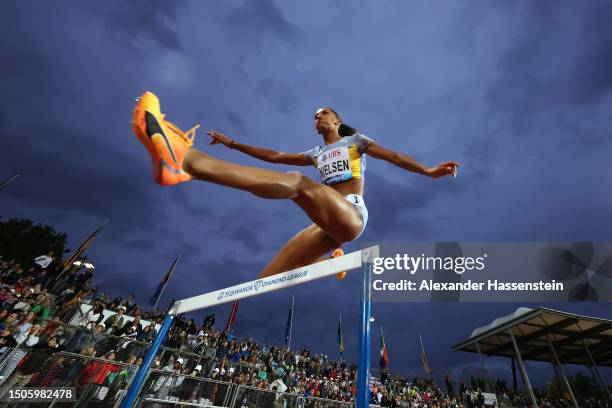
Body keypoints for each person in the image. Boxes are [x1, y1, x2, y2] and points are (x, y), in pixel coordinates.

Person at [132, 92, 459, 277]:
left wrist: (429, 171)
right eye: (314, 115)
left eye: (323, 113)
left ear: (336, 120)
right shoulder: (315, 153)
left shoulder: (356, 141)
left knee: (298, 184)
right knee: (265, 280)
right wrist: (233, 143)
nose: (317, 117)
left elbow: (397, 157)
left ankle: (187, 162)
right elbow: (274, 156)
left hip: (352, 215)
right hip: (325, 225)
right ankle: (330, 263)